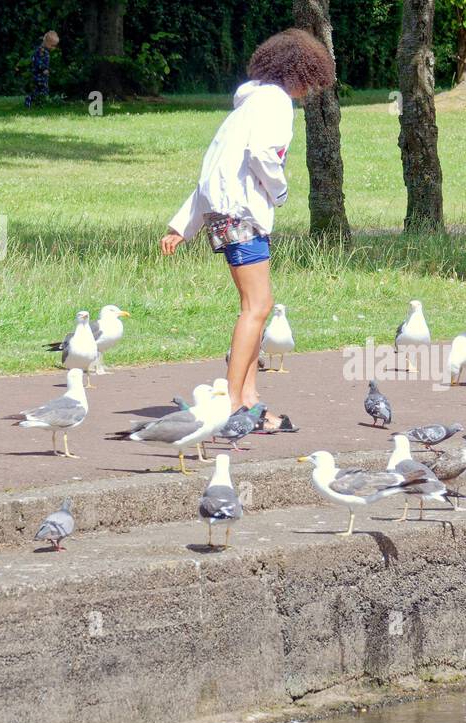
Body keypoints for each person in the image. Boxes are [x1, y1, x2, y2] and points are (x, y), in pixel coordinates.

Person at [161, 29, 335, 431]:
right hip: (242, 215)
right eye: (311, 80)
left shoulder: (245, 108)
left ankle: (251, 398)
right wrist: (280, 190)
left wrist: (182, 226)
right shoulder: (275, 103)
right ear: (300, 73)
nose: (310, 89)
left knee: (258, 307)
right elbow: (262, 155)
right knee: (256, 308)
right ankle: (233, 403)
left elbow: (212, 174)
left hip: (227, 214)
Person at [24, 30, 59, 107]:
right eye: (52, 45)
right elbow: (37, 62)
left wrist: (48, 69)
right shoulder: (41, 51)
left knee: (41, 90)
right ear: (47, 43)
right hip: (39, 75)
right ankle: (30, 98)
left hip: (43, 75)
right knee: (42, 89)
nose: (53, 48)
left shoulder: (45, 51)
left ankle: (39, 103)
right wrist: (43, 69)